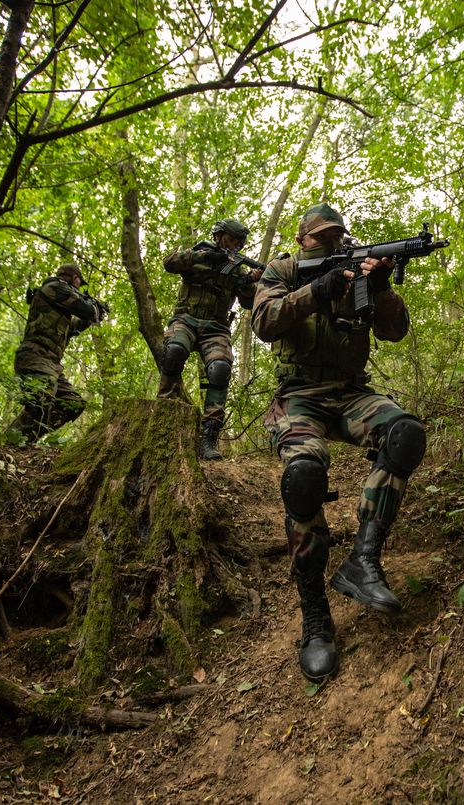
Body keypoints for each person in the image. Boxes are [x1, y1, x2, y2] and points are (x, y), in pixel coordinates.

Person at [251, 203, 427, 681]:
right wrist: (315, 291)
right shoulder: (283, 270)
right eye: (320, 236)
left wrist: (382, 287)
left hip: (351, 393)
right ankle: (315, 616)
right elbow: (263, 322)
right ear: (303, 238)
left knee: (405, 433)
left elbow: (395, 331)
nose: (329, 243)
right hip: (299, 395)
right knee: (304, 474)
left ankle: (363, 562)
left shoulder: (360, 272)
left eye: (336, 236)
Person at [158, 218, 262, 460]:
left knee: (220, 369)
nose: (236, 245)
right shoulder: (198, 253)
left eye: (240, 242)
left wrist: (253, 280)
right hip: (185, 319)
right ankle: (163, 414)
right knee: (174, 352)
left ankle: (209, 437)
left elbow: (247, 302)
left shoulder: (237, 268)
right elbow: (169, 263)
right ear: (218, 236)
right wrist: (203, 257)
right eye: (232, 239)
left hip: (216, 327)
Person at [5, 262, 102, 445]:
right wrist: (93, 308)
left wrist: (91, 319)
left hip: (51, 362)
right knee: (40, 401)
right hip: (35, 356)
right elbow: (87, 309)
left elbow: (72, 328)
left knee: (73, 404)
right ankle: (10, 443)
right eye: (79, 283)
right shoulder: (54, 287)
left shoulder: (59, 300)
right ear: (75, 278)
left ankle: (25, 441)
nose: (79, 287)